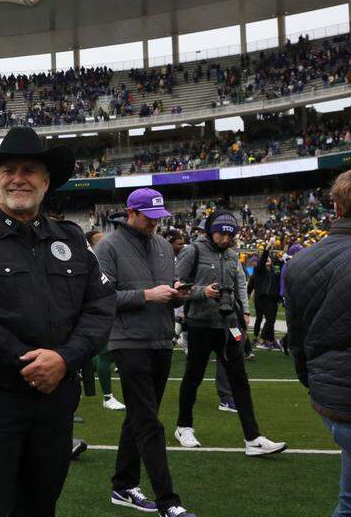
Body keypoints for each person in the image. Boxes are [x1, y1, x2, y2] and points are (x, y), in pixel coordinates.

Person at [0, 126, 116, 517]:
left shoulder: (72, 240)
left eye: (29, 170)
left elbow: (101, 306)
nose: (18, 178)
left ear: (46, 180)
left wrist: (65, 359)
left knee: (40, 506)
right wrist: (29, 361)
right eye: (9, 170)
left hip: (55, 402)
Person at [284, 166, 351, 517]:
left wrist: (315, 383)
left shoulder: (300, 262)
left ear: (336, 208)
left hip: (332, 398)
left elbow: (296, 342)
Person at [95, 188, 195, 517]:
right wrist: (147, 295)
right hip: (128, 341)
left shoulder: (164, 245)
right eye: (149, 218)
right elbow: (103, 300)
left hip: (160, 338)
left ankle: (123, 484)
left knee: (138, 416)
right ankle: (169, 501)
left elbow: (167, 288)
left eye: (158, 218)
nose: (154, 224)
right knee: (149, 421)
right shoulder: (108, 246)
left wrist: (179, 294)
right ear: (131, 213)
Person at [174, 211, 286, 456]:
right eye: (221, 233)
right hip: (201, 324)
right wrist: (203, 292)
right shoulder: (192, 251)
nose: (225, 239)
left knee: (240, 380)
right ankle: (184, 426)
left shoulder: (233, 255)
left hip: (229, 324)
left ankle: (253, 437)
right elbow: (176, 286)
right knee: (193, 376)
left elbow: (239, 286)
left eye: (230, 234)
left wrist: (245, 311)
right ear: (211, 229)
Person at [86, 228, 124, 412]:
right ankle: (107, 396)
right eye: (98, 241)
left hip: (107, 308)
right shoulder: (90, 259)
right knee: (106, 352)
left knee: (105, 353)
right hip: (96, 311)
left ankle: (83, 368)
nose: (104, 243)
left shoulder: (104, 258)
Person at [248, 251, 281, 350]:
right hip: (263, 298)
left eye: (269, 259)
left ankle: (270, 340)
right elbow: (262, 261)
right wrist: (267, 250)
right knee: (263, 319)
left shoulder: (274, 273)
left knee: (271, 320)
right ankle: (261, 339)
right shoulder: (259, 271)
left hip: (273, 299)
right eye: (266, 259)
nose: (267, 260)